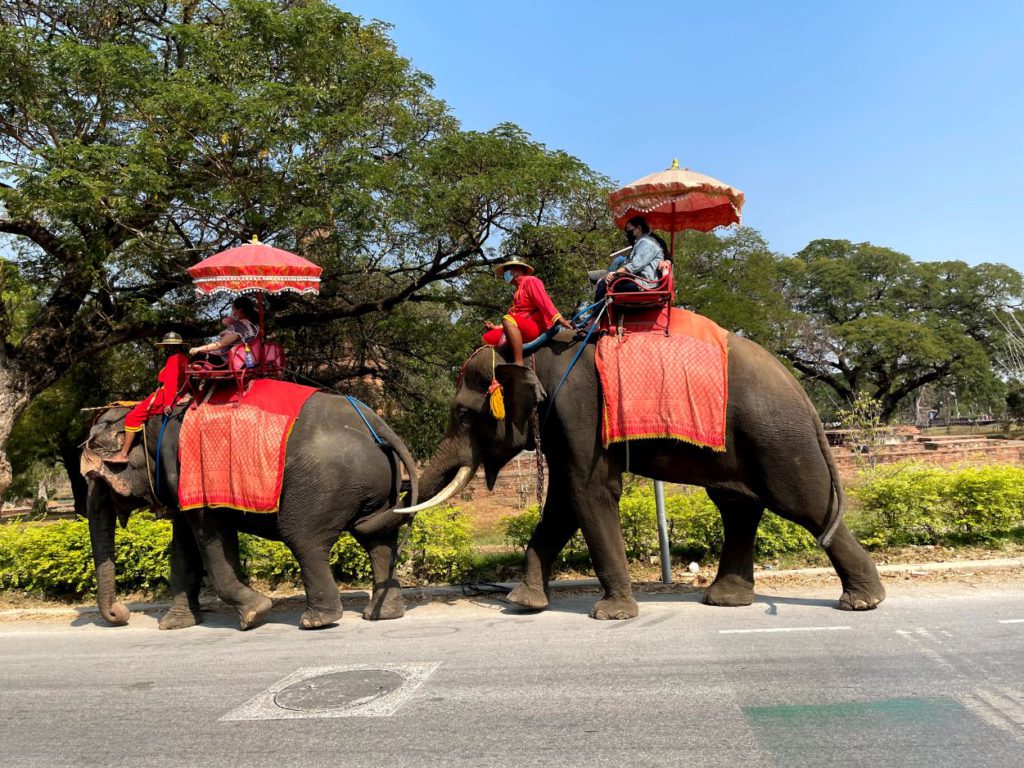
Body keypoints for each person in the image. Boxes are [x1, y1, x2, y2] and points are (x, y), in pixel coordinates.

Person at [104, 332, 190, 465]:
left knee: (132, 418)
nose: (166, 349)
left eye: (167, 346)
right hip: (174, 394)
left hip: (165, 396)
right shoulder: (184, 358)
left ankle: (123, 454)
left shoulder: (173, 359)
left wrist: (169, 403)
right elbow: (185, 382)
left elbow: (171, 382)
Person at [482, 259, 574, 366]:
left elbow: (544, 302)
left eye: (507, 270)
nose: (505, 274)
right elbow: (517, 318)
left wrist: (559, 319)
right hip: (522, 327)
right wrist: (495, 327)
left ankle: (518, 363)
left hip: (537, 326)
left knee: (507, 318)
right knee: (486, 338)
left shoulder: (531, 281)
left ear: (516, 270)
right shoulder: (517, 290)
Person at [594, 215, 670, 301]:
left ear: (638, 228)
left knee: (605, 284)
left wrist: (615, 273)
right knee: (608, 280)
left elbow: (635, 265)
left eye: (629, 228)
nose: (627, 232)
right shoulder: (639, 242)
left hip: (644, 284)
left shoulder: (646, 243)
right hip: (638, 281)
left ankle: (597, 314)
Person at [189, 296, 259, 365]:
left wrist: (198, 349)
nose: (233, 313)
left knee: (198, 357)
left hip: (228, 361)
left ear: (240, 310)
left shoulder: (240, 326)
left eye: (233, 310)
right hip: (247, 359)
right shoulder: (255, 327)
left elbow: (221, 344)